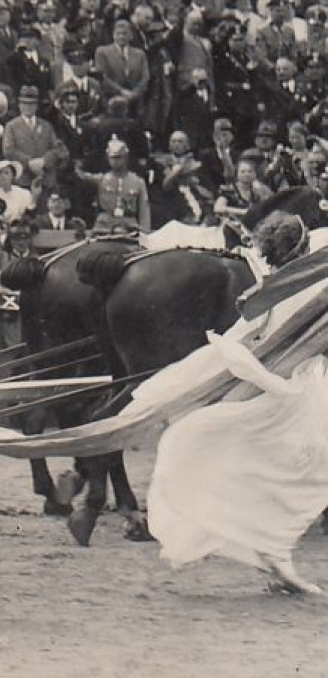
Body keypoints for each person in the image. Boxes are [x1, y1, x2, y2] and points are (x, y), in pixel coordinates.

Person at [128, 213, 328, 595]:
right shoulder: (303, 290)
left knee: (278, 475)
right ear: (302, 252)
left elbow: (243, 339)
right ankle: (275, 555)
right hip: (296, 398)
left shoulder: (269, 290)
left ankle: (276, 557)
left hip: (283, 393)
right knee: (302, 477)